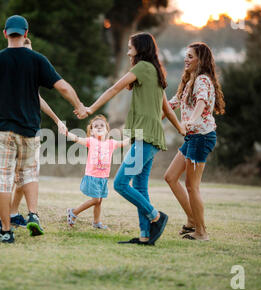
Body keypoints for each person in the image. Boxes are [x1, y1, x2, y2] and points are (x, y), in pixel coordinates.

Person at [0, 15, 87, 243]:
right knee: (29, 173)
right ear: (26, 33)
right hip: (31, 130)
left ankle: (5, 231)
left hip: (3, 129)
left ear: (5, 33)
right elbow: (62, 86)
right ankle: (33, 213)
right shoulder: (37, 60)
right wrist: (79, 106)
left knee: (3, 179)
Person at [79, 32, 185, 245]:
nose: (128, 50)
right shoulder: (155, 72)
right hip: (151, 137)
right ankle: (145, 236)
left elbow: (114, 88)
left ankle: (156, 216)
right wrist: (181, 130)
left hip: (145, 136)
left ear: (141, 48)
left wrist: (90, 108)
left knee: (119, 183)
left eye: (131, 47)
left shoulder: (143, 67)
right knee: (140, 186)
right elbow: (168, 110)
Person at [0, 37, 68, 231]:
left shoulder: (28, 72)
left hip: (24, 131)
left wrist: (57, 121)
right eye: (26, 50)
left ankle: (8, 216)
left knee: (22, 178)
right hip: (10, 133)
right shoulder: (10, 70)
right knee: (17, 177)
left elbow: (39, 99)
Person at [163, 42, 225, 241]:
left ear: (201, 59)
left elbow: (201, 102)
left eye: (190, 56)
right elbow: (172, 104)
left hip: (201, 137)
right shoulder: (190, 80)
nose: (186, 60)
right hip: (192, 137)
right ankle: (191, 220)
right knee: (171, 177)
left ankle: (201, 232)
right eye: (186, 56)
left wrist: (190, 121)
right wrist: (154, 118)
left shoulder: (203, 81)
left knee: (192, 186)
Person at [65, 115, 130, 229]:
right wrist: (67, 133)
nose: (99, 128)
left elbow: (124, 143)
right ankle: (73, 212)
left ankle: (96, 222)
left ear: (107, 130)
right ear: (92, 131)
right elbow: (76, 138)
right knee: (95, 200)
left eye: (101, 125)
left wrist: (136, 135)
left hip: (103, 177)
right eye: (95, 126)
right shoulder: (91, 141)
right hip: (92, 176)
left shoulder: (111, 143)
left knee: (99, 202)